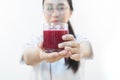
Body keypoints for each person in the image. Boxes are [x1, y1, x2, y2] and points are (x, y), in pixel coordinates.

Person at [21, 0, 93, 80]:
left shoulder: (78, 38)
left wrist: (80, 51)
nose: (55, 14)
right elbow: (27, 58)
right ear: (43, 12)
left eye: (61, 8)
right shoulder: (36, 39)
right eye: (49, 8)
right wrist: (39, 54)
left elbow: (87, 49)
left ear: (70, 12)